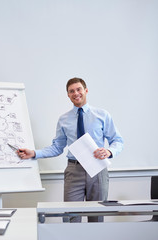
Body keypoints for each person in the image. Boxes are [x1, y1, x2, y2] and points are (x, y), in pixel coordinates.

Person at [18, 77, 123, 222]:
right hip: (74, 170)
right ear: (68, 95)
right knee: (70, 217)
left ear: (86, 90)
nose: (76, 93)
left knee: (97, 217)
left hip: (98, 169)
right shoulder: (64, 119)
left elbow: (117, 141)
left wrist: (109, 152)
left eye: (79, 89)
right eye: (71, 91)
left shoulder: (102, 115)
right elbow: (57, 147)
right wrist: (34, 153)